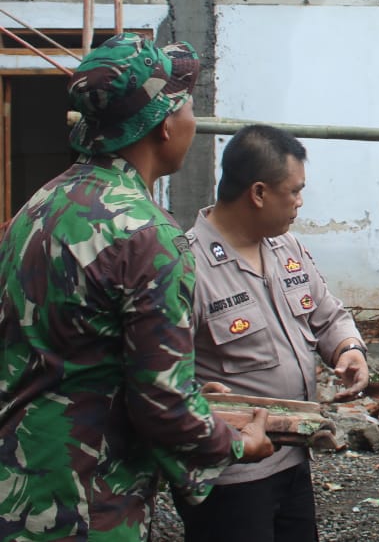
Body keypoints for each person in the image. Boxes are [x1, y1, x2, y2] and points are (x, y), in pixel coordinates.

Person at [0, 33, 274, 541]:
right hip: (89, 504)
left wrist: (188, 392)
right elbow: (162, 405)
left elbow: (75, 350)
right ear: (167, 124)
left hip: (20, 480)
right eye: (189, 105)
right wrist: (235, 442)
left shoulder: (39, 204)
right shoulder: (148, 235)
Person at [179, 124, 369, 542]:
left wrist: (348, 349)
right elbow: (163, 379)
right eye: (294, 191)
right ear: (259, 193)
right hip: (230, 474)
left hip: (293, 458)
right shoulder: (185, 266)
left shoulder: (288, 248)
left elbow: (327, 315)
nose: (300, 202)